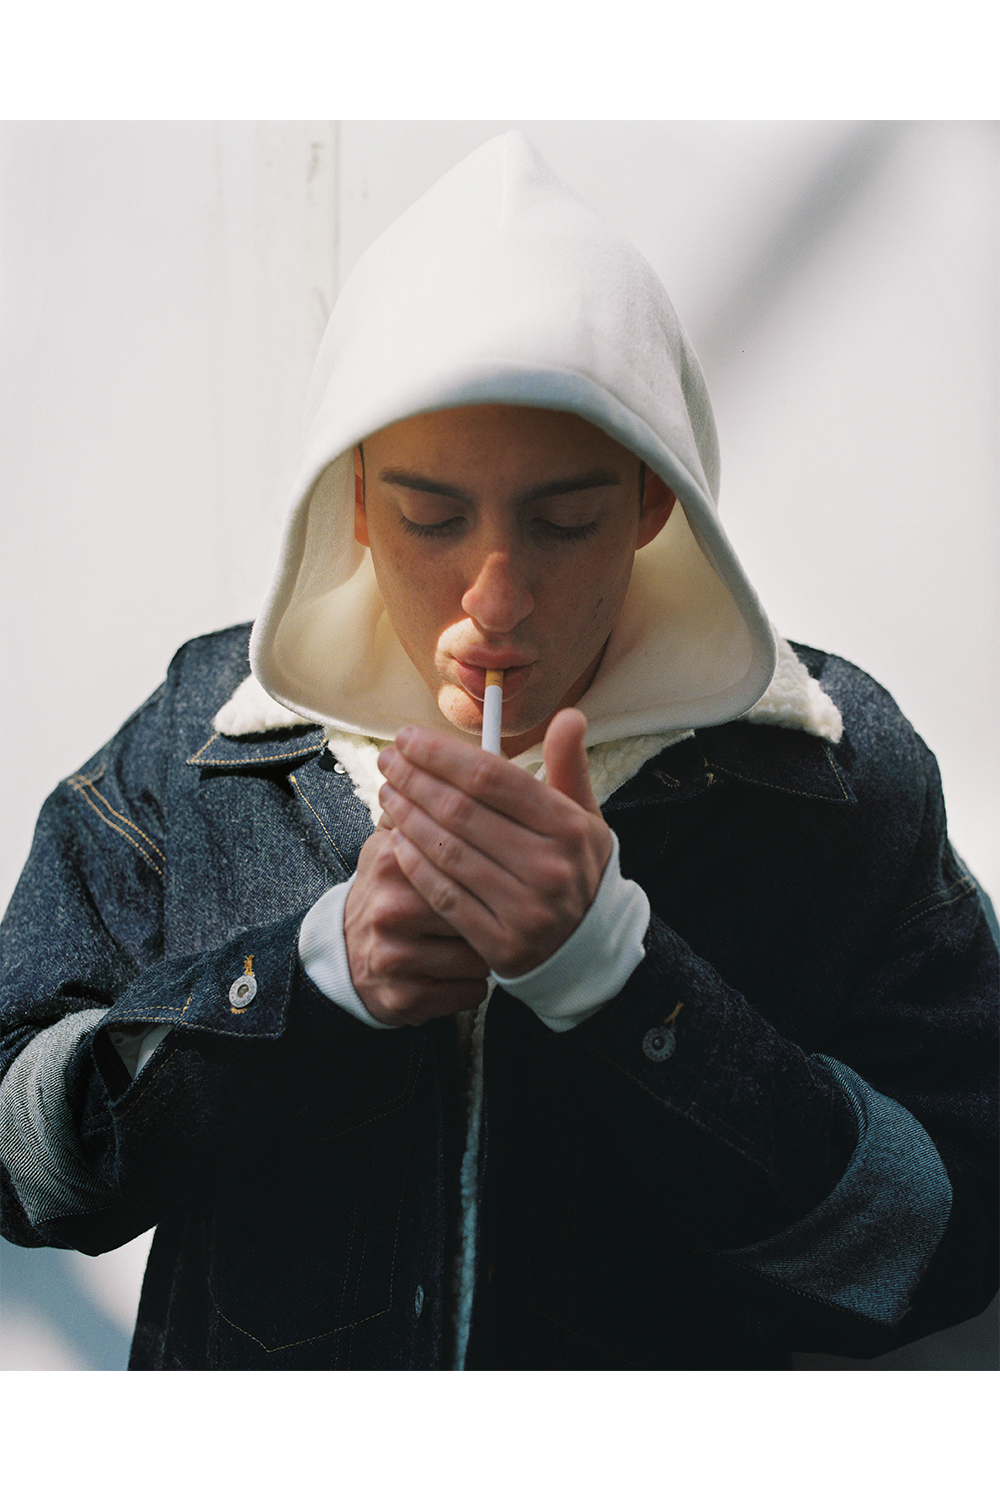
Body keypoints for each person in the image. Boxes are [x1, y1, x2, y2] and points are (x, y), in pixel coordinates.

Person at [1, 131, 999, 1371]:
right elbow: (22, 1164)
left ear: (652, 501)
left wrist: (623, 979)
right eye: (429, 517)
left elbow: (947, 1236)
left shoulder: (827, 771)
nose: (494, 601)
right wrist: (308, 980)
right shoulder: (207, 737)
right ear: (352, 499)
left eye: (564, 519)